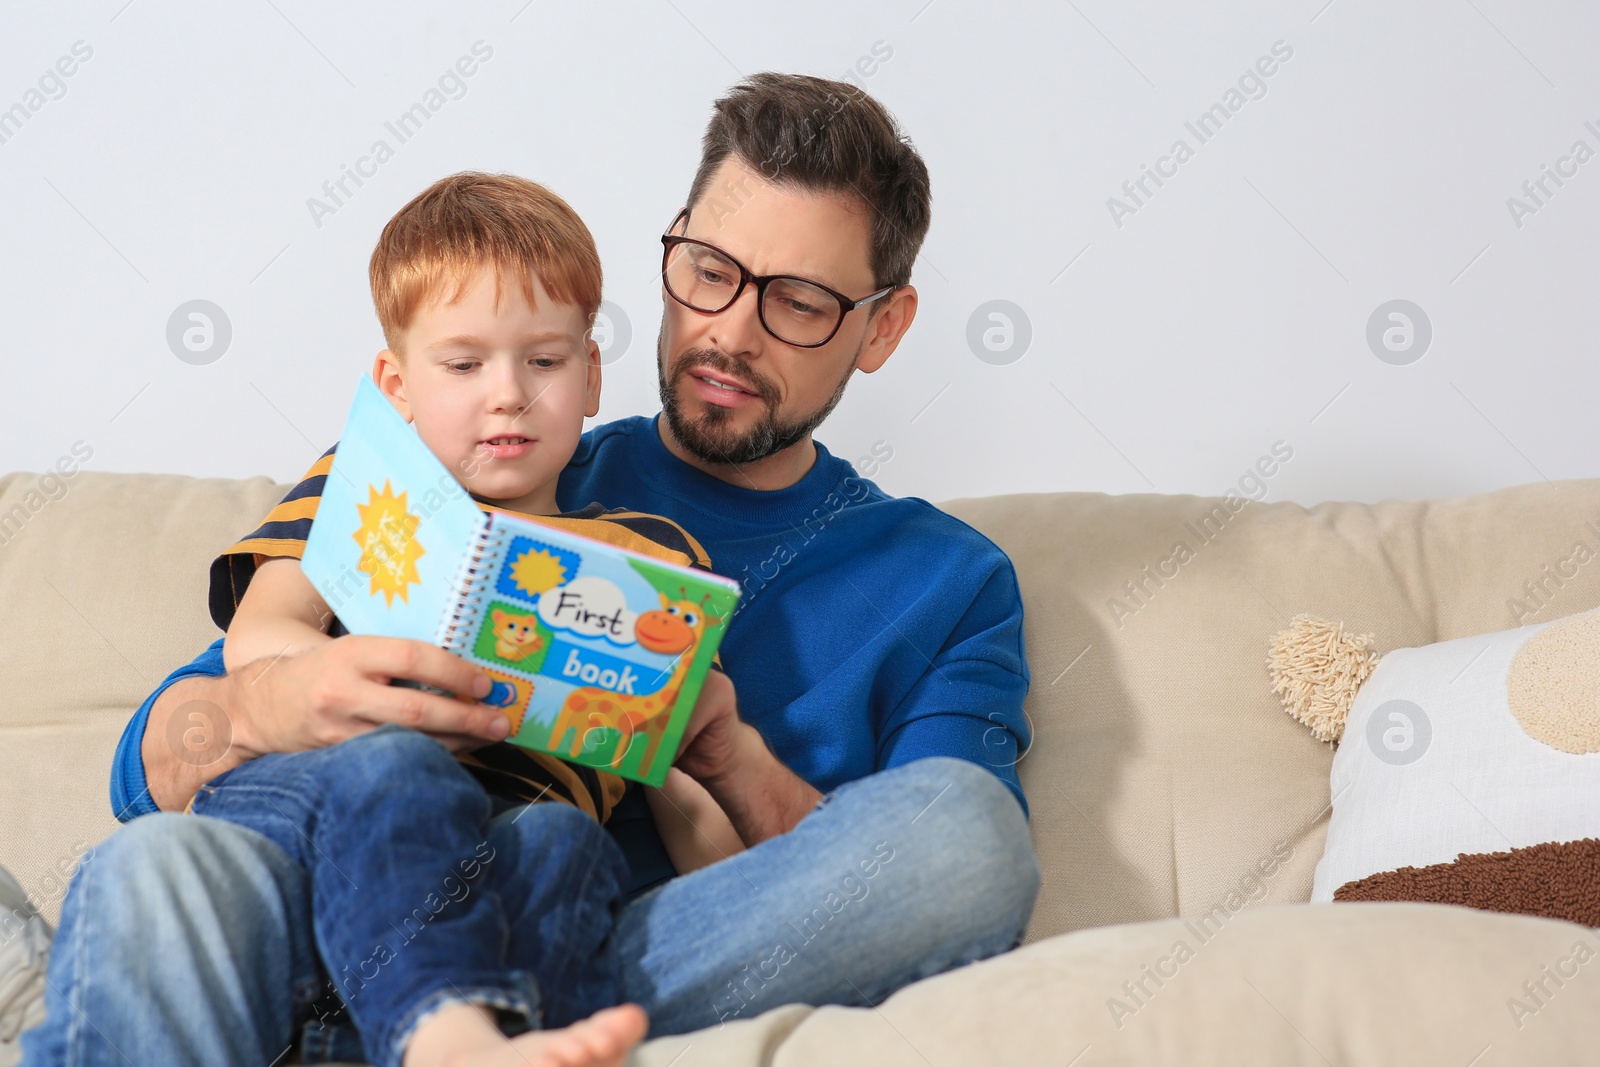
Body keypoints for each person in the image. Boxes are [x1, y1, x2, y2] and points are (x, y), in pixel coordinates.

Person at [22, 72, 1040, 1067]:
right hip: (326, 890)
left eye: (800, 302)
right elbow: (151, 761)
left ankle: (477, 1021)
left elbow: (935, 875)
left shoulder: (950, 580)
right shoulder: (493, 461)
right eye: (709, 270)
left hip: (602, 935)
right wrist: (272, 703)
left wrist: (728, 755)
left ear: (883, 327)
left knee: (967, 833)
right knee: (160, 865)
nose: (729, 328)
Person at [186, 169, 740, 1067]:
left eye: (545, 360)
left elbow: (681, 786)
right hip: (338, 793)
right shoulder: (363, 484)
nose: (508, 393)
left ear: (592, 375)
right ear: (396, 385)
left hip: (518, 834)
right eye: (463, 363)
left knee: (569, 845)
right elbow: (258, 636)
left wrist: (741, 885)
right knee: (402, 769)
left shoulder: (653, 559)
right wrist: (362, 682)